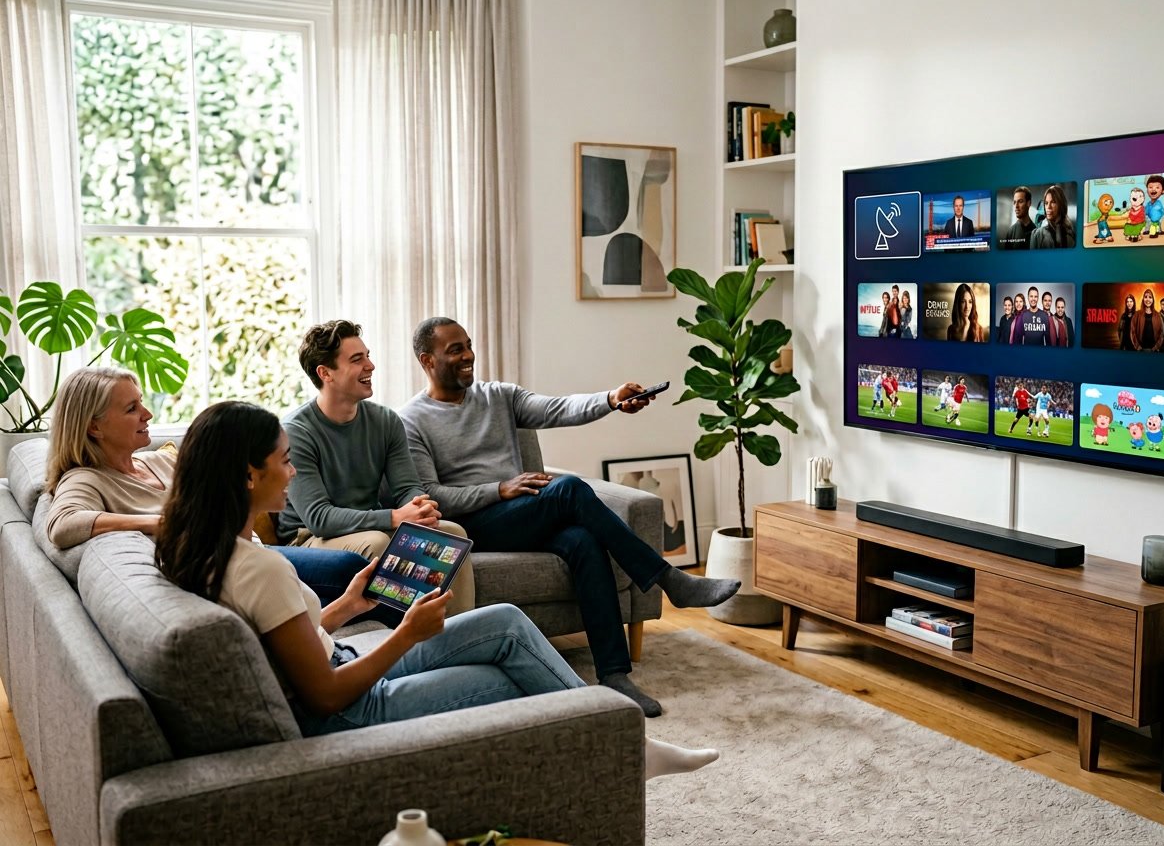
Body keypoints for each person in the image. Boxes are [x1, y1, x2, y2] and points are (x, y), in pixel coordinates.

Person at [154, 401, 717, 780]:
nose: (293, 469)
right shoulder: (258, 567)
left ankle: (620, 743)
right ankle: (620, 753)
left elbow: (282, 651)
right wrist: (405, 634)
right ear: (249, 476)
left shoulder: (209, 550)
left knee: (506, 622)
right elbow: (324, 697)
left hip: (343, 664)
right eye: (284, 460)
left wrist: (346, 607)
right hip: (350, 710)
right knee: (508, 676)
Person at [398, 318, 742, 718]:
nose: (468, 355)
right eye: (455, 349)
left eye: (469, 345)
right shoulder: (411, 420)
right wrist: (500, 489)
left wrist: (612, 399)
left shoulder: (498, 397)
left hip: (522, 512)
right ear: (427, 360)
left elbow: (558, 408)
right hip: (477, 523)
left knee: (583, 541)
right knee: (570, 488)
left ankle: (614, 675)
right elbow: (434, 496)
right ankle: (668, 579)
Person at [43, 367, 390, 623]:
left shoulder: (156, 462)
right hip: (232, 565)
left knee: (362, 576)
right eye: (131, 408)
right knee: (354, 568)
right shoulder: (86, 479)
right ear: (94, 426)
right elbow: (62, 526)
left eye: (142, 404)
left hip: (251, 549)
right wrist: (165, 523)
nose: (147, 414)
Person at [276, 320, 476, 615]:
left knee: (452, 533)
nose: (370, 366)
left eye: (367, 356)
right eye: (357, 359)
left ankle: (456, 637)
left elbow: (407, 485)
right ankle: (404, 640)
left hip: (368, 525)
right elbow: (319, 518)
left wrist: (419, 506)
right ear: (325, 373)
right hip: (308, 538)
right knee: (377, 542)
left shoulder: (385, 421)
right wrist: (395, 516)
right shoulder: (297, 431)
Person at [1030, 184, 1075, 249]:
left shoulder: (1070, 234)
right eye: (1046, 203)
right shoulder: (1037, 235)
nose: (1048, 207)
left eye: (1053, 202)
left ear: (1061, 205)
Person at [1145, 174, 1164, 239]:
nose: (1153, 189)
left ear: (1163, 190)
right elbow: (1146, 213)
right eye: (1150, 187)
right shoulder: (1148, 204)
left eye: (1157, 187)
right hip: (1149, 220)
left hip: (1156, 221)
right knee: (1148, 221)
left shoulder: (1159, 204)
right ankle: (1148, 229)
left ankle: (1157, 230)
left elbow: (1160, 214)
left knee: (1156, 222)